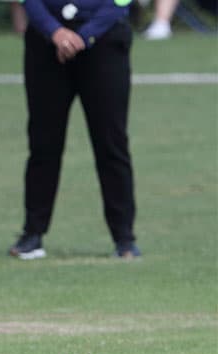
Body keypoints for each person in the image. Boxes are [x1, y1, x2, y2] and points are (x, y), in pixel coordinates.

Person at [10, 1, 141, 260]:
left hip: (105, 41)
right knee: (43, 145)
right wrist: (55, 31)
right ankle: (33, 234)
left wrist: (84, 36)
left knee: (111, 144)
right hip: (46, 45)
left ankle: (124, 238)